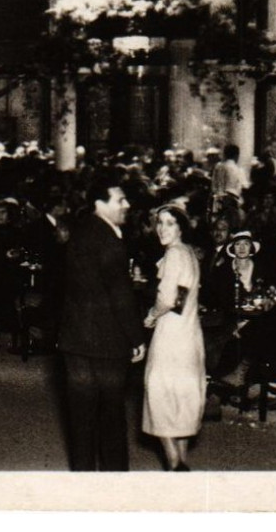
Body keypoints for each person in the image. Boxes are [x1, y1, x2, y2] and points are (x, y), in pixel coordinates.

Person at [58, 176, 145, 471]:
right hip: (107, 342)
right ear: (100, 204)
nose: (127, 205)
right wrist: (136, 338)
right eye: (120, 200)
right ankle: (115, 485)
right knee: (111, 417)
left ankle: (82, 480)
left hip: (75, 340)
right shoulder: (110, 240)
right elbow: (120, 296)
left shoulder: (79, 232)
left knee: (81, 419)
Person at [141, 205, 205, 472]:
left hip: (170, 337)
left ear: (181, 227)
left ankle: (175, 465)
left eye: (169, 223)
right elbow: (181, 296)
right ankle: (181, 465)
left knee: (159, 397)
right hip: (189, 335)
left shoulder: (174, 254)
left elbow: (168, 299)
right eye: (159, 223)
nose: (162, 228)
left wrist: (152, 315)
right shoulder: (189, 253)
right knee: (182, 403)